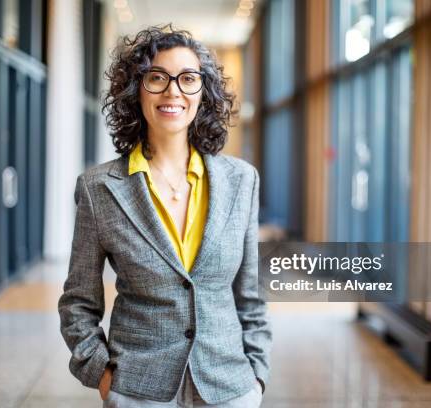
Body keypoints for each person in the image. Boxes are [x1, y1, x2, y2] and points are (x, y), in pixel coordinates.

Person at [58, 25, 272, 407]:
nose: (173, 91)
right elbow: (78, 302)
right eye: (157, 78)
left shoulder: (241, 181)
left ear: (203, 93)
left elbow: (250, 296)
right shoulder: (99, 188)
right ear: (135, 90)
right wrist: (102, 374)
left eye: (188, 79)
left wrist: (257, 376)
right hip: (138, 390)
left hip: (229, 387)